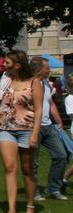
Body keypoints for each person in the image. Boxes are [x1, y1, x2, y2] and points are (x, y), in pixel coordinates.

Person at [0, 50, 44, 213]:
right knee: (9, 166)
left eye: (7, 62)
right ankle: (11, 209)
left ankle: (30, 206)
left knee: (27, 169)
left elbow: (38, 110)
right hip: (5, 128)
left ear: (18, 65)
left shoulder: (34, 82)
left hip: (26, 129)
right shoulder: (6, 79)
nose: (3, 65)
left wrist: (35, 133)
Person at [30, 56, 69, 201]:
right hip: (34, 127)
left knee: (61, 155)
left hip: (49, 126)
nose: (50, 70)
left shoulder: (46, 83)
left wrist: (58, 121)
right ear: (39, 69)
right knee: (33, 162)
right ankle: (33, 192)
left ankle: (53, 188)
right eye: (47, 67)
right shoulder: (30, 84)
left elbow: (50, 103)